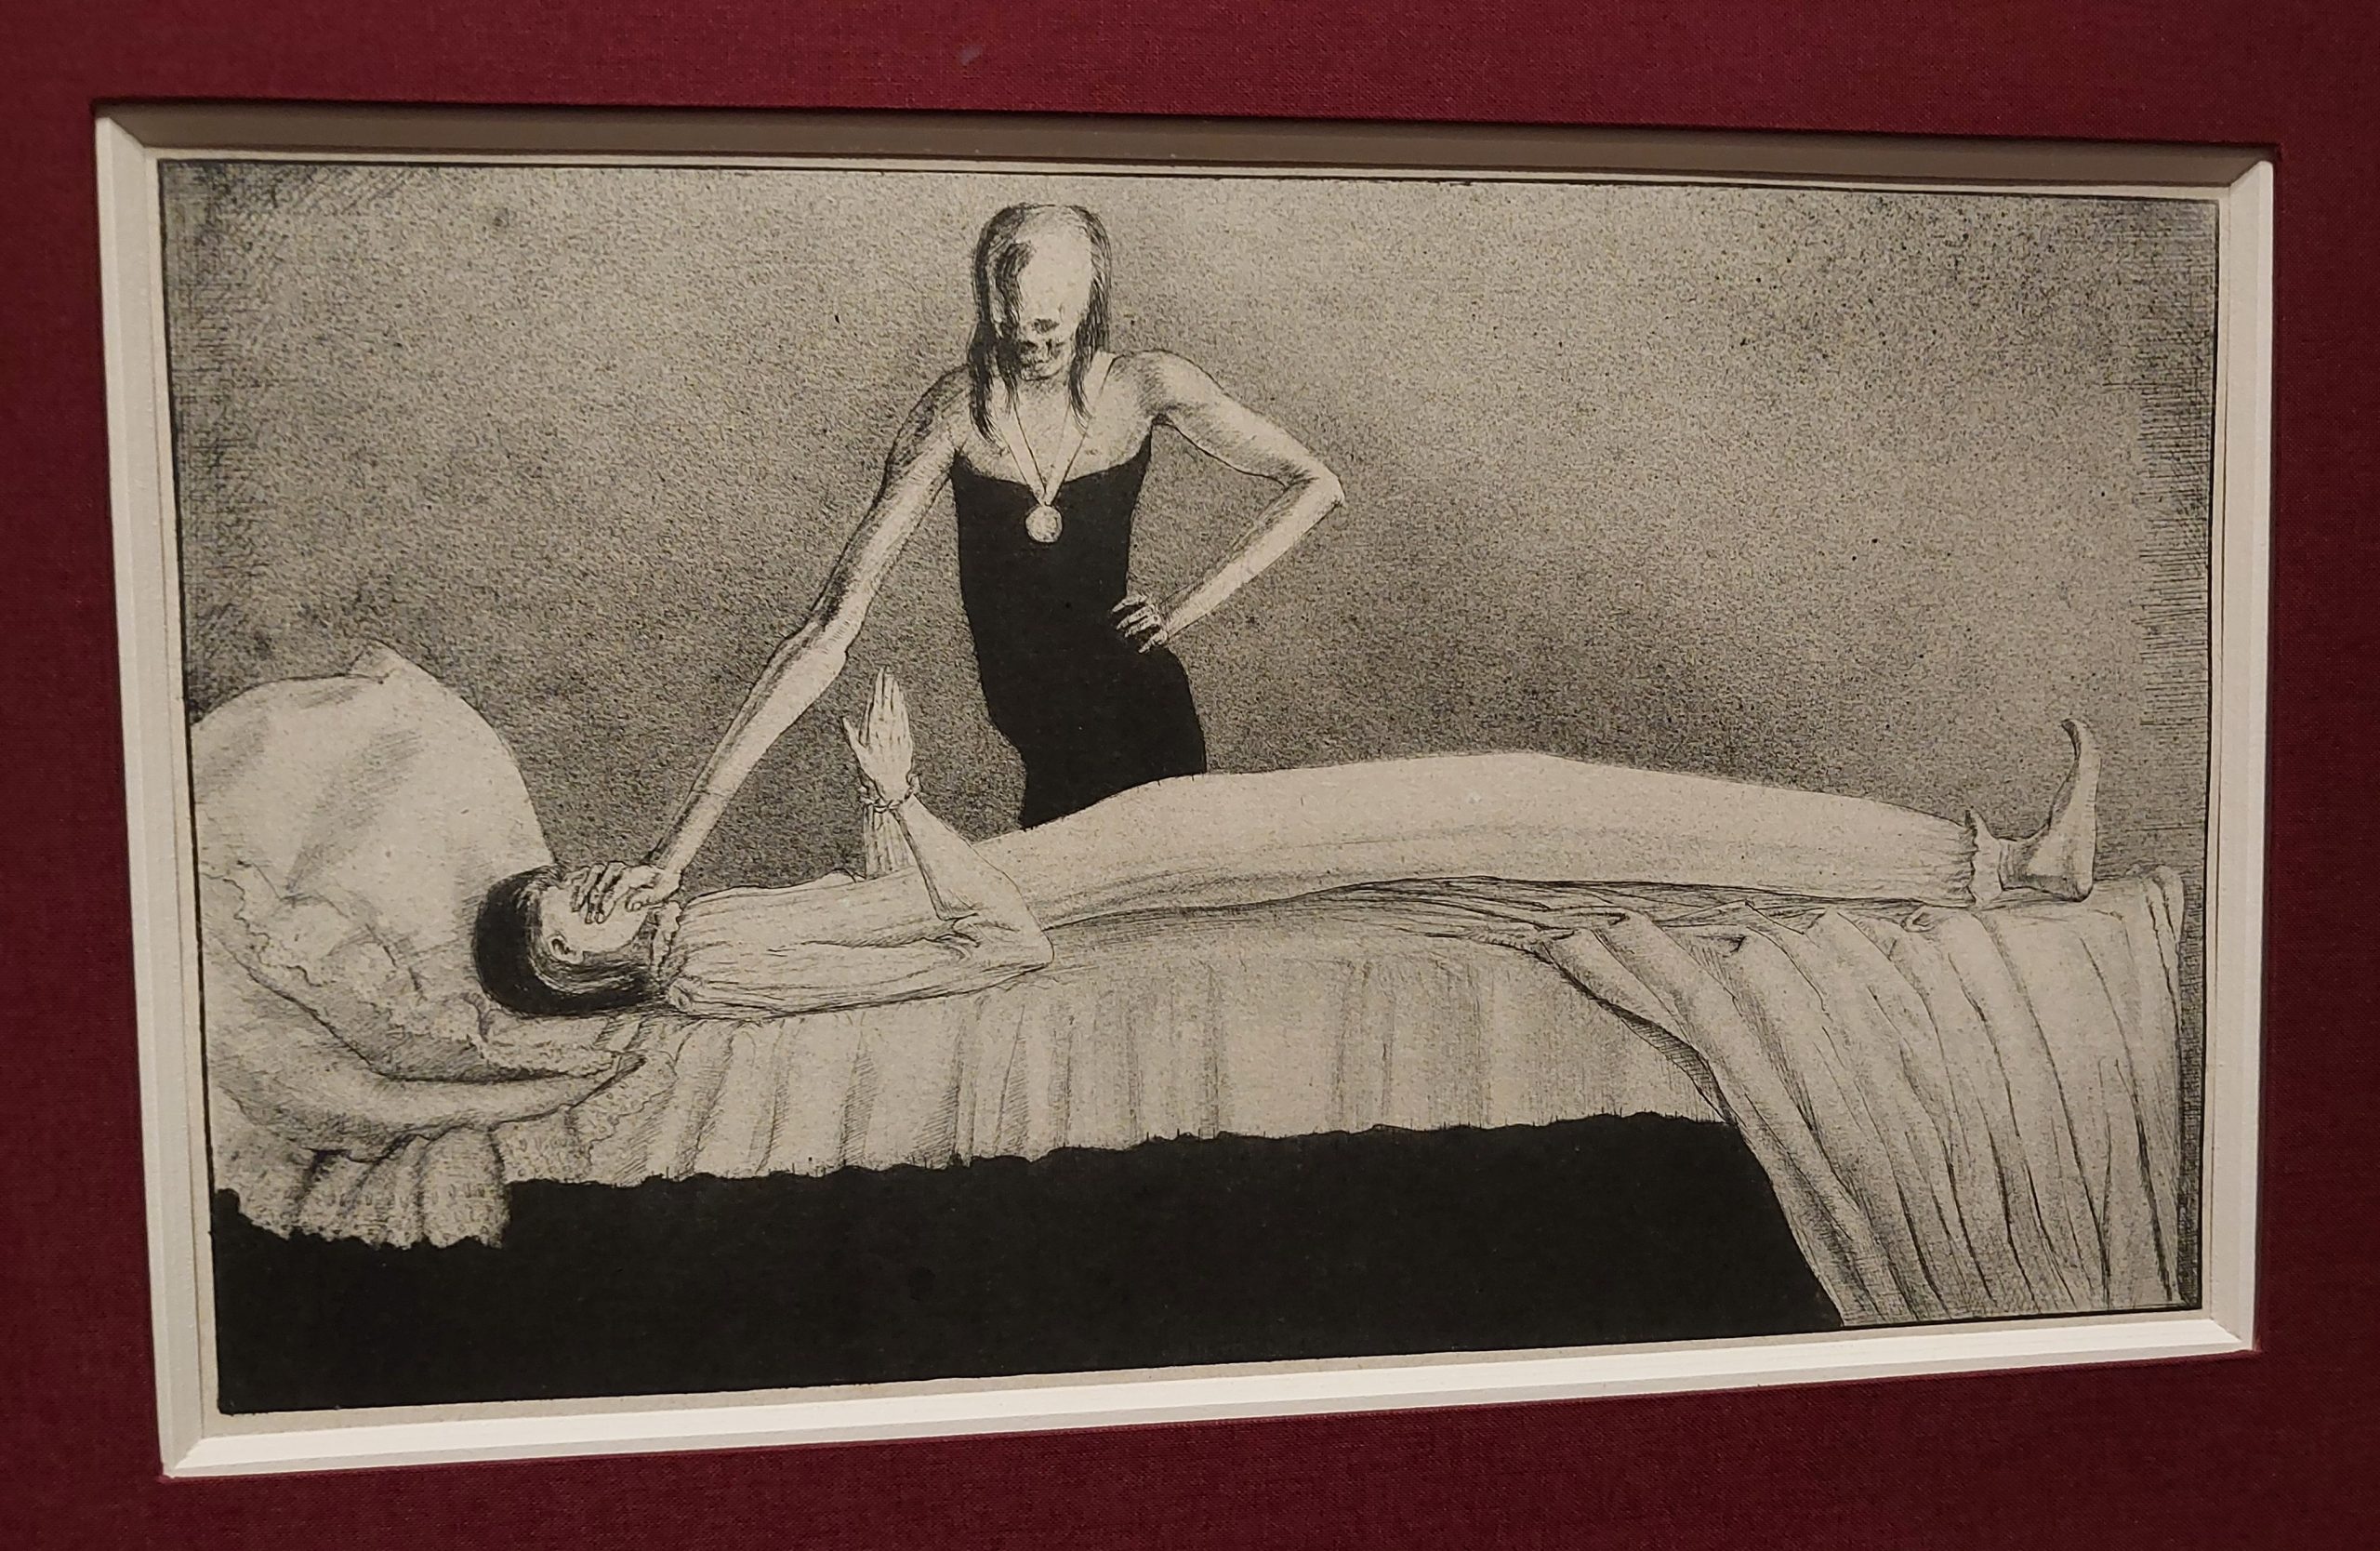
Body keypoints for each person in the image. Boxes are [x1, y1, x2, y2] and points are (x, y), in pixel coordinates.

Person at [482, 680, 2101, 1021]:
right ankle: (1993, 872)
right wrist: (903, 799)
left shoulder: (710, 937)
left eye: (574, 876)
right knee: (1518, 807)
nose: (600, 886)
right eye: (578, 918)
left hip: (1122, 851)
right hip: (1119, 874)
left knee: (1522, 806)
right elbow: (994, 943)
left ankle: (1985, 869)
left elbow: (897, 914)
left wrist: (884, 817)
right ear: (588, 978)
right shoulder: (718, 965)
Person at [613, 202, 1345, 934]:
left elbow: (1317, 485)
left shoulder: (1143, 385)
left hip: (1148, 728)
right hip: (1048, 751)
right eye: (1012, 326)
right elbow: (829, 628)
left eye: (1049, 328)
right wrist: (672, 857)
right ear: (990, 306)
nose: (1031, 345)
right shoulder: (956, 413)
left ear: (1089, 304)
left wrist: (1184, 609)